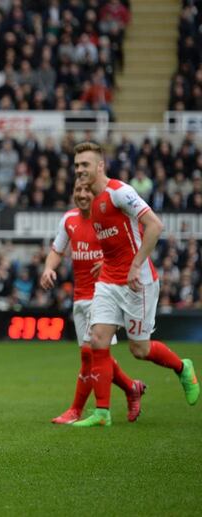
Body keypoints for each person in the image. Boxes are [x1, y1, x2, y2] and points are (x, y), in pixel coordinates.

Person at [69, 142, 198, 427]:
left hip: (137, 281)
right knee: (98, 340)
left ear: (100, 166)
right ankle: (102, 413)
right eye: (77, 165)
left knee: (139, 349)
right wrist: (107, 260)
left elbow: (155, 225)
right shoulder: (91, 199)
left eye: (85, 165)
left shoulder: (120, 192)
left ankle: (182, 367)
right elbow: (117, 238)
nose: (79, 170)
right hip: (108, 280)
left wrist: (136, 264)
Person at [40, 181, 144, 424]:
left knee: (90, 353)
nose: (83, 195)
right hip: (80, 298)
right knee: (95, 356)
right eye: (78, 190)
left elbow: (126, 250)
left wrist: (108, 266)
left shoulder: (107, 217)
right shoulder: (69, 219)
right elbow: (57, 250)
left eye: (87, 190)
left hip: (106, 293)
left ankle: (77, 410)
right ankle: (131, 387)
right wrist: (48, 269)